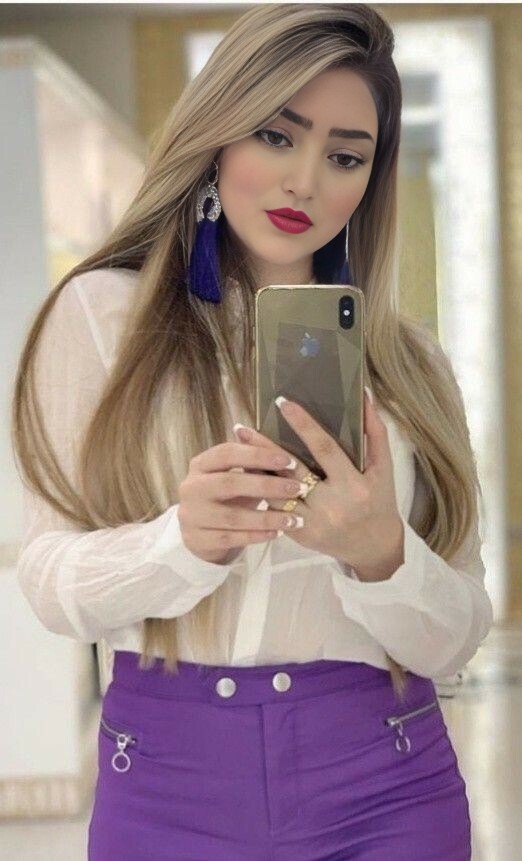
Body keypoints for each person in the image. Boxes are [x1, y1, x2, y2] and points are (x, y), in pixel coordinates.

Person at [12, 4, 493, 859]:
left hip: (389, 784)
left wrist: (382, 554)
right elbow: (49, 580)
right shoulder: (101, 317)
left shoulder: (412, 362)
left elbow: (459, 631)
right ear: (218, 137)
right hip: (166, 785)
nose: (306, 180)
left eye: (345, 156)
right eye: (277, 136)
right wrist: (182, 542)